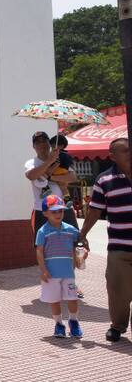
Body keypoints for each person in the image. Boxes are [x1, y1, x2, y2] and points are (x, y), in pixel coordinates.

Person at [78, 137, 132, 342]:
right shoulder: (104, 180)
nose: (130, 153)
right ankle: (117, 326)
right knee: (118, 290)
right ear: (113, 156)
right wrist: (82, 235)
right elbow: (94, 212)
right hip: (119, 246)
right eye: (125, 151)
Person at [35, 195, 84, 338]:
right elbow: (39, 251)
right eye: (54, 211)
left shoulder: (71, 230)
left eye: (61, 211)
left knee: (73, 298)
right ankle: (58, 324)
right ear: (45, 213)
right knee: (54, 300)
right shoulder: (43, 231)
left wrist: (83, 252)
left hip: (68, 272)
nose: (58, 214)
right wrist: (43, 270)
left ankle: (74, 322)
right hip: (51, 274)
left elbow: (80, 243)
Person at [25, 131, 78, 234]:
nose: (41, 144)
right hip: (42, 209)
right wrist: (49, 161)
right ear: (33, 146)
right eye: (37, 142)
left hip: (64, 208)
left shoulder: (60, 156)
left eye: (44, 141)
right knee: (43, 245)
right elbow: (31, 175)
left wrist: (50, 177)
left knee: (73, 242)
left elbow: (72, 177)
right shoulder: (31, 163)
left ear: (49, 143)